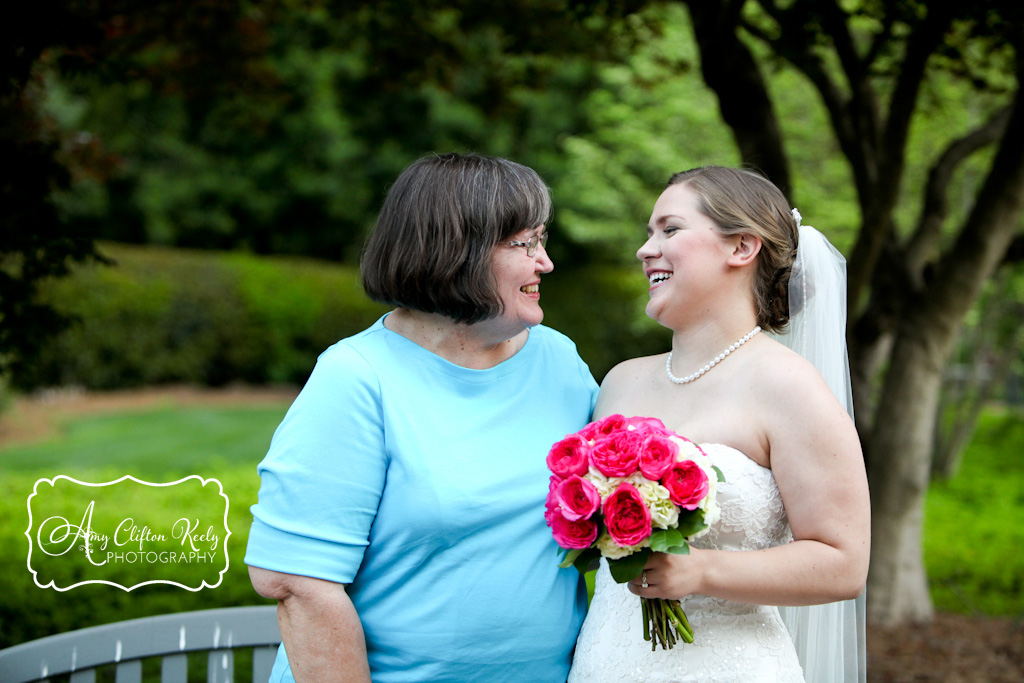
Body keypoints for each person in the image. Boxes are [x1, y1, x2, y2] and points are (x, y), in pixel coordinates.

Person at [244, 152, 599, 683]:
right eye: (523, 244)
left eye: (541, 240)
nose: (544, 262)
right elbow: (295, 582)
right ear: (455, 250)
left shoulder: (559, 360)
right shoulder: (358, 377)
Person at [568, 166, 870, 682]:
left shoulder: (789, 387)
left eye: (670, 229)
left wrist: (701, 571)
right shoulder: (619, 383)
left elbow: (842, 563)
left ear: (741, 247)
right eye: (648, 234)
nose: (645, 250)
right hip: (605, 660)